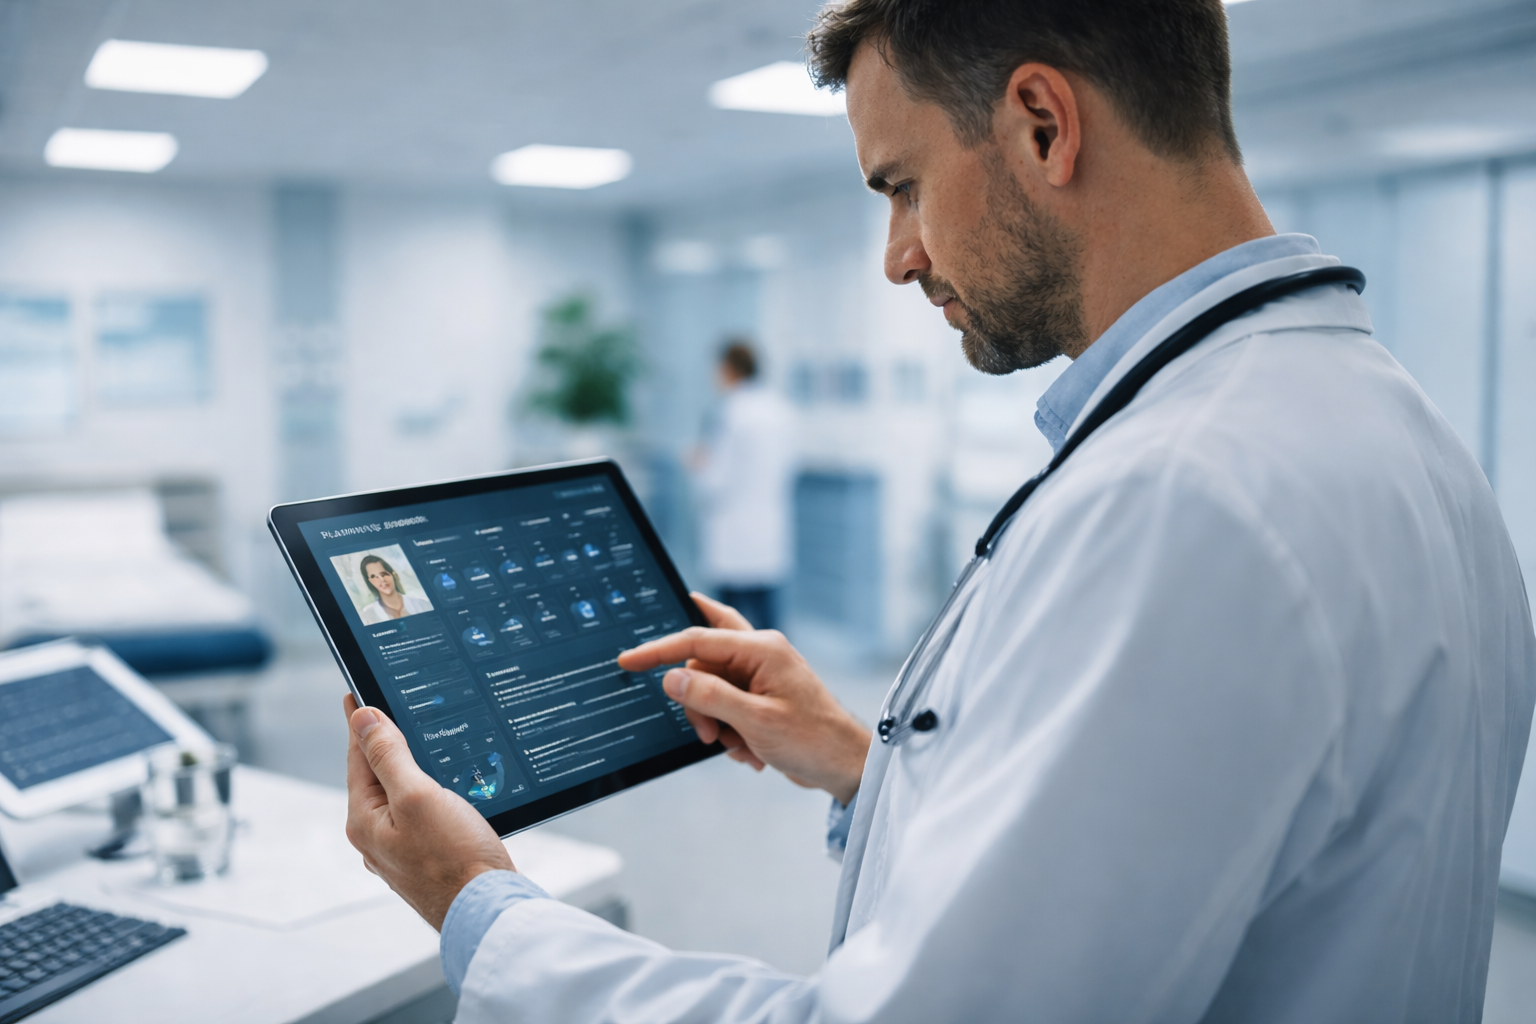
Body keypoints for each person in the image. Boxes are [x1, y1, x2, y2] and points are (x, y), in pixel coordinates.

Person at [342, 1, 1536, 1020]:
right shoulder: (1396, 431)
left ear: (1041, 124)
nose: (898, 258)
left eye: (903, 186)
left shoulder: (1183, 495)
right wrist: (868, 770)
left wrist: (482, 909)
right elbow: (1171, 868)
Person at [691, 339, 797, 630]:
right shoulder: (780, 409)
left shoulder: (730, 412)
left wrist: (699, 464)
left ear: (728, 369)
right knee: (771, 629)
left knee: (731, 632)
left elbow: (713, 481)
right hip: (769, 535)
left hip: (733, 538)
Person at [357, 554, 432, 624]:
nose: (382, 580)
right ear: (369, 581)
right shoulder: (368, 614)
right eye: (374, 576)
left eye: (383, 574)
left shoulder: (423, 603)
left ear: (392, 574)